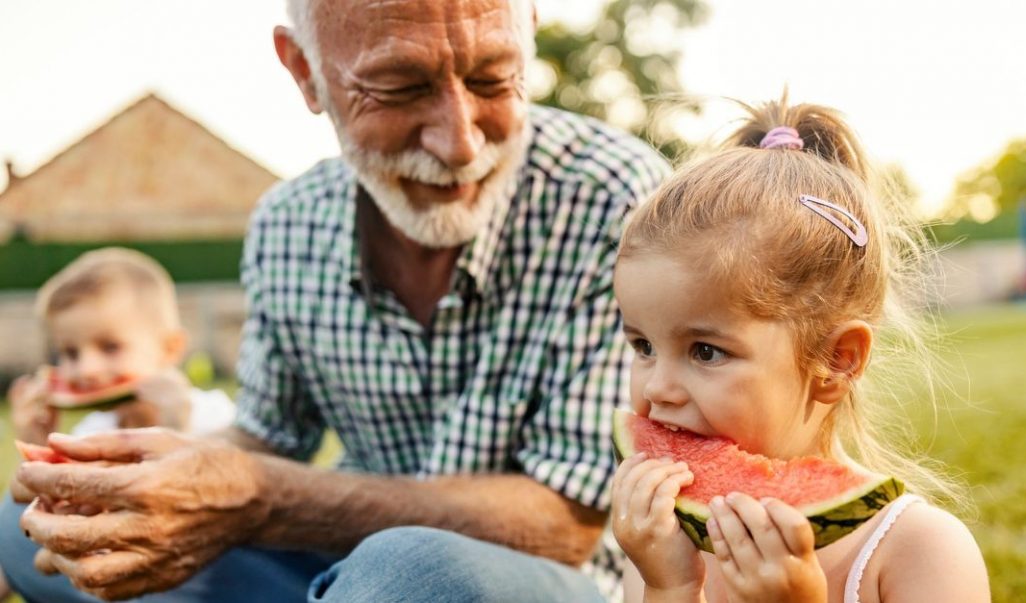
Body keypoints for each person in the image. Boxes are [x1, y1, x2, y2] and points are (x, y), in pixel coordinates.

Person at [9, 0, 670, 601]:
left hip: (541, 581)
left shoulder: (613, 198)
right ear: (304, 71)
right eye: (399, 88)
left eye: (494, 78)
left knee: (414, 572)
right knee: (27, 526)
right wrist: (142, 473)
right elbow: (267, 438)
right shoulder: (287, 223)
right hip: (341, 568)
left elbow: (567, 523)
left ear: (528, 33)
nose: (460, 142)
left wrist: (258, 495)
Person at [609, 96, 990, 602]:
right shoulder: (663, 545)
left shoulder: (923, 551)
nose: (657, 388)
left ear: (836, 360)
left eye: (705, 351)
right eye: (643, 345)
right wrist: (669, 586)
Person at [0, 247, 236, 601]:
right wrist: (38, 450)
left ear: (170, 349)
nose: (86, 369)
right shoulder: (89, 434)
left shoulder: (214, 415)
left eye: (110, 347)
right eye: (69, 353)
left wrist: (178, 428)